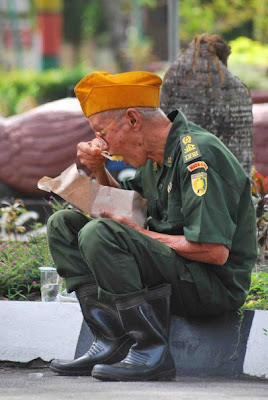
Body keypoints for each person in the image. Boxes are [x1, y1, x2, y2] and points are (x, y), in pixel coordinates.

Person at [47, 71, 257, 381]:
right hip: (176, 271)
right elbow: (123, 210)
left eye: (101, 133)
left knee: (97, 233)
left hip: (211, 285)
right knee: (63, 224)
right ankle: (111, 339)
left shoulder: (197, 156)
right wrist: (99, 168)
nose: (101, 144)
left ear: (132, 120)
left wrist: (138, 233)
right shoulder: (156, 158)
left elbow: (214, 252)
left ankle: (151, 351)